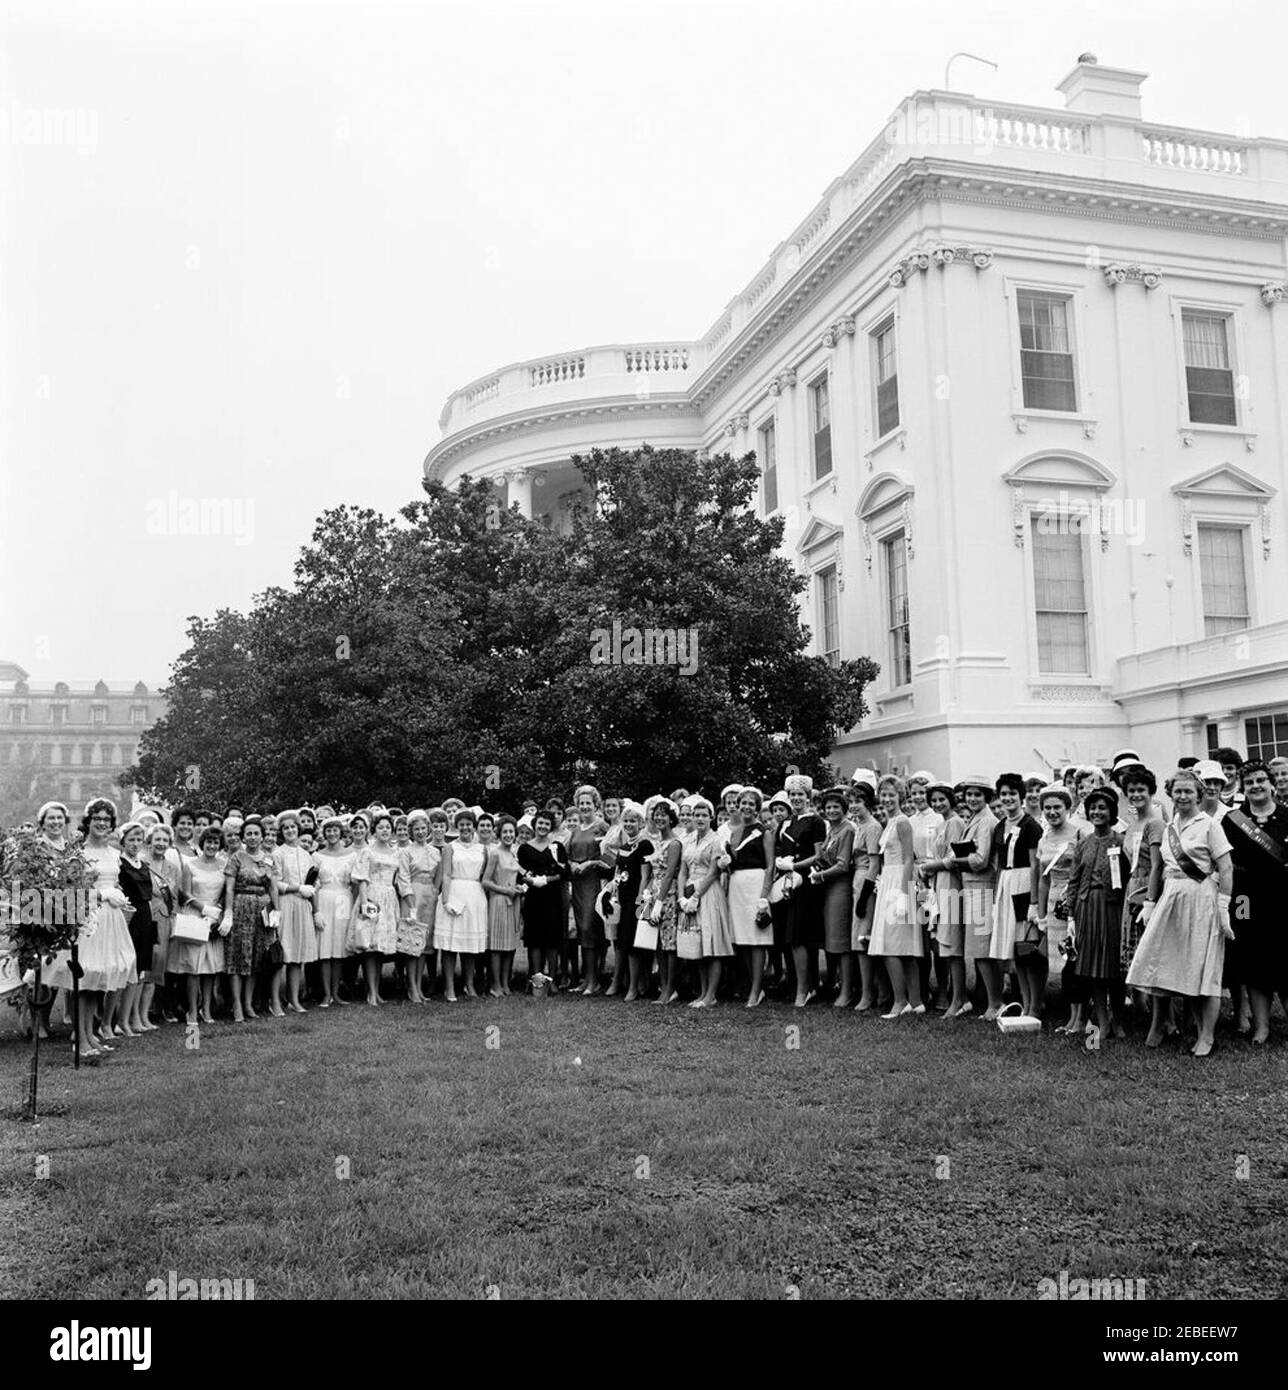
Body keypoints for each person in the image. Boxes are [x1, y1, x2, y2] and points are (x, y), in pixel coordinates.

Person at [1126, 768, 1234, 1057]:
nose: (1183, 796)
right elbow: (1160, 868)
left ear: (1198, 795)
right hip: (1172, 899)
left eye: (1189, 791)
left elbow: (1226, 867)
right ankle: (1169, 1026)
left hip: (1201, 900)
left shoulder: (1209, 825)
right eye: (1178, 791)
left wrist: (1224, 907)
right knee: (1181, 964)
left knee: (1205, 968)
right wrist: (1150, 904)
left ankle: (1207, 1036)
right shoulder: (1170, 826)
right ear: (1171, 794)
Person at [46, 798, 137, 1057]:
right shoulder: (79, 854)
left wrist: (118, 894)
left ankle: (90, 1035)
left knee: (100, 978)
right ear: (88, 822)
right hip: (88, 918)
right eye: (97, 819)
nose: (102, 824)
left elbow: (114, 882)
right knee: (85, 977)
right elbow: (71, 891)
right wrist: (103, 894)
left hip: (112, 920)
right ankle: (80, 1039)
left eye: (106, 820)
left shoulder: (114, 854)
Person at [1221, 759, 1288, 1044]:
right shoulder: (1233, 820)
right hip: (1245, 898)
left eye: (1261, 780)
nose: (1256, 786)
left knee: (1286, 960)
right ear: (1243, 787)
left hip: (1283, 898)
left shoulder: (1287, 816)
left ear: (1271, 783)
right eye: (1249, 782)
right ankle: (1261, 1028)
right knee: (1252, 960)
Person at [1064, 787, 1126, 1047]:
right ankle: (1102, 1021)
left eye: (1103, 808)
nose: (1097, 812)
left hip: (1112, 907)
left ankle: (1119, 1019)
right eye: (1093, 808)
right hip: (1087, 906)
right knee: (1092, 968)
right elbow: (1074, 879)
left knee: (1114, 966)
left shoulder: (1120, 841)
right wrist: (1070, 912)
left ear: (1112, 812)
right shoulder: (1084, 843)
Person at [987, 773, 1043, 1018]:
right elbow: (999, 864)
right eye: (1004, 794)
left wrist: (1033, 901)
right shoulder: (1000, 826)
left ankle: (1036, 1004)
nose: (1008, 798)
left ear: (1021, 797)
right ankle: (1025, 1001)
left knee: (1028, 948)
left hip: (1023, 884)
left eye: (1012, 794)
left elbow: (1035, 865)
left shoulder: (1031, 825)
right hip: (1006, 884)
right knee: (1015, 950)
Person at [870, 779, 922, 1017]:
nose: (887, 800)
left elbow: (909, 858)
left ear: (900, 796)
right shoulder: (889, 821)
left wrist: (903, 893)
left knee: (891, 946)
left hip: (899, 882)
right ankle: (915, 1001)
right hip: (888, 880)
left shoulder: (902, 821)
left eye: (891, 795)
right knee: (901, 945)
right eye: (883, 795)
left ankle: (901, 1002)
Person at [677, 797, 733, 1008]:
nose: (699, 819)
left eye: (703, 815)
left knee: (712, 943)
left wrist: (696, 896)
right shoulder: (688, 840)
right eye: (696, 815)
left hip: (708, 893)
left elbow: (712, 873)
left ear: (711, 818)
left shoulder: (716, 840)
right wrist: (682, 896)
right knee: (697, 944)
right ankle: (701, 992)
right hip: (690, 889)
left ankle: (711, 994)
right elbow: (682, 870)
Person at [951, 776, 1000, 1017]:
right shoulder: (975, 819)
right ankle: (991, 1000)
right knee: (979, 950)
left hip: (982, 887)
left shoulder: (986, 821)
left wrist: (954, 861)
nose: (972, 799)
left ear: (986, 797)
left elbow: (980, 860)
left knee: (982, 950)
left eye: (977, 795)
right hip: (972, 887)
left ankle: (995, 1003)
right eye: (969, 795)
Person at [169, 826, 229, 1024]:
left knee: (211, 967)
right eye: (209, 842)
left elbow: (226, 892)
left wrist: (216, 913)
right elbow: (184, 893)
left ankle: (207, 1009)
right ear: (202, 843)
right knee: (194, 969)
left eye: (216, 842)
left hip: (215, 916)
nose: (212, 846)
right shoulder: (190, 865)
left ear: (220, 845)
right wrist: (203, 909)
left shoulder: (224, 865)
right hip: (195, 915)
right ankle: (192, 1011)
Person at [776, 774, 826, 1008]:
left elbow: (819, 855)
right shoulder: (787, 823)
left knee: (802, 937)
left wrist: (794, 866)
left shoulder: (815, 821)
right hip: (788, 882)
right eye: (792, 794)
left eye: (800, 795)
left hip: (807, 880)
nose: (796, 798)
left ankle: (804, 989)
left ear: (808, 797)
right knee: (793, 936)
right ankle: (802, 985)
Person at [223, 815, 279, 1021]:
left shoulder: (268, 859)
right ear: (243, 837)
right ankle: (237, 1004)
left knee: (256, 956)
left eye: (257, 833)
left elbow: (272, 887)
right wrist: (228, 913)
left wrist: (276, 911)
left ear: (262, 836)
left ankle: (248, 1004)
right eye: (249, 834)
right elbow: (229, 888)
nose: (253, 837)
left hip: (261, 909)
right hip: (240, 906)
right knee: (238, 955)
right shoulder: (236, 857)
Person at [920, 783, 968, 1016]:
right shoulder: (941, 824)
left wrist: (929, 866)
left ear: (951, 800)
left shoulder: (956, 822)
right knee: (942, 940)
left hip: (950, 882)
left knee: (952, 942)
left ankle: (959, 999)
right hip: (938, 882)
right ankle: (955, 996)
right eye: (934, 801)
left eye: (942, 800)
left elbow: (954, 859)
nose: (938, 804)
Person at [353, 812, 411, 1005]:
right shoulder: (367, 851)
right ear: (374, 831)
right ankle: (371, 992)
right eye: (380, 827)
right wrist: (364, 904)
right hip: (371, 897)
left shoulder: (397, 852)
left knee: (380, 947)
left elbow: (401, 881)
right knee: (370, 946)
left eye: (387, 827)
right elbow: (361, 879)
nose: (384, 831)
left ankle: (377, 992)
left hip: (389, 898)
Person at [725, 787, 775, 1008]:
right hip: (737, 885)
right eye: (742, 803)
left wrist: (764, 896)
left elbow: (770, 865)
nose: (746, 807)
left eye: (750, 804)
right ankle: (751, 986)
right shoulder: (734, 832)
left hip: (756, 884)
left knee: (757, 940)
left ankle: (757, 989)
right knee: (743, 940)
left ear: (757, 808)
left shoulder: (764, 831)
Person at [436, 809, 488, 1002]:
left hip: (474, 895)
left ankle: (469, 985)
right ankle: (449, 988)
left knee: (469, 944)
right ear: (456, 827)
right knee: (450, 945)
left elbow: (483, 875)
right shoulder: (450, 848)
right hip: (454, 893)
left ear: (474, 826)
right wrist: (446, 900)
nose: (465, 828)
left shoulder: (482, 849)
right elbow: (446, 874)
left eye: (468, 824)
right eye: (461, 824)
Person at [810, 787, 855, 1007]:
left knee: (841, 941)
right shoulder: (832, 830)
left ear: (844, 809)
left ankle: (846, 991)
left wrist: (820, 875)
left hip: (840, 887)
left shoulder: (847, 830)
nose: (832, 810)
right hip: (828, 887)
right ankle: (835, 983)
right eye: (828, 807)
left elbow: (843, 864)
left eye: (836, 806)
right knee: (832, 939)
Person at [272, 811, 319, 1013]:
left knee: (297, 954)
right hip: (286, 903)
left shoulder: (306, 854)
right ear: (281, 831)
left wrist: (316, 911)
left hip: (302, 906)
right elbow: (276, 883)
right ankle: (274, 1001)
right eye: (286, 828)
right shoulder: (277, 853)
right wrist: (297, 888)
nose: (290, 830)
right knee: (282, 953)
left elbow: (312, 883)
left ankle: (294, 999)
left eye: (293, 827)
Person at [566, 785, 611, 995]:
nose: (584, 807)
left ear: (595, 805)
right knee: (582, 932)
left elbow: (610, 856)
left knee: (589, 928)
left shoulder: (601, 827)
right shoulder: (574, 830)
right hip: (577, 885)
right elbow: (566, 855)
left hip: (593, 884)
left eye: (588, 803)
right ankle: (586, 980)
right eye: (581, 803)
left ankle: (594, 981)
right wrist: (571, 864)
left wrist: (589, 864)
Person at [516, 809, 568, 989]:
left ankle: (551, 981)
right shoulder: (524, 848)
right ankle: (537, 981)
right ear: (535, 824)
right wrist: (530, 880)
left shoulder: (557, 846)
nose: (543, 826)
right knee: (535, 940)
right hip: (533, 898)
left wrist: (545, 879)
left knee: (552, 941)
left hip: (552, 897)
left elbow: (564, 872)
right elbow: (519, 873)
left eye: (547, 823)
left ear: (551, 826)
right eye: (540, 823)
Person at [116, 820, 158, 1037]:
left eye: (138, 839)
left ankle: (132, 1018)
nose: (135, 843)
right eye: (131, 839)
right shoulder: (120, 864)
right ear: (123, 841)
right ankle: (119, 1020)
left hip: (145, 915)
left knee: (141, 968)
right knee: (127, 968)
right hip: (127, 916)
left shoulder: (143, 863)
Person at [314, 814, 360, 1008]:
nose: (332, 834)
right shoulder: (316, 855)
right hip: (324, 899)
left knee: (339, 948)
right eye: (328, 831)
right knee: (325, 948)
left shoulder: (351, 855)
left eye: (335, 831)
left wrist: (357, 906)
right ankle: (326, 995)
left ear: (341, 833)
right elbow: (313, 885)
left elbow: (356, 883)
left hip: (343, 900)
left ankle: (336, 993)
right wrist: (315, 911)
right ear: (324, 834)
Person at [611, 802, 652, 1001]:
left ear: (641, 823)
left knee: (635, 944)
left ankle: (635, 987)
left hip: (637, 899)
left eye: (633, 821)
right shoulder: (623, 847)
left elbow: (645, 875)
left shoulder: (644, 845)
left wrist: (640, 899)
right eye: (625, 820)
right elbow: (618, 873)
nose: (628, 824)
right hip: (624, 898)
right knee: (624, 941)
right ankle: (632, 983)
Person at [400, 810, 442, 1004]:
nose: (420, 832)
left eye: (423, 828)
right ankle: (412, 988)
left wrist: (435, 890)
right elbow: (403, 878)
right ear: (411, 831)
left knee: (424, 944)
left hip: (429, 897)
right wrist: (410, 903)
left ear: (428, 829)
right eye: (416, 829)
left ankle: (419, 984)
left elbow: (439, 874)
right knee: (412, 944)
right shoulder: (406, 852)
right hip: (413, 896)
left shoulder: (434, 852)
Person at [849, 780, 883, 1012]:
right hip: (856, 879)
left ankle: (870, 994)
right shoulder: (858, 825)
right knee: (859, 937)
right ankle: (874, 990)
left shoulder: (872, 826)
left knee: (863, 937)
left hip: (866, 881)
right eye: (851, 802)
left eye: (858, 801)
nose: (853, 806)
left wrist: (864, 896)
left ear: (868, 803)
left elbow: (874, 863)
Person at [483, 815, 525, 997]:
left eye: (511, 832)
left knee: (510, 944)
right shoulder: (495, 853)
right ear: (499, 834)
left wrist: (518, 889)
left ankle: (506, 983)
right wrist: (505, 891)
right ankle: (496, 985)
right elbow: (485, 881)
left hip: (514, 901)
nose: (508, 835)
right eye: (505, 831)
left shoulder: (514, 853)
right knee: (497, 945)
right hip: (499, 901)